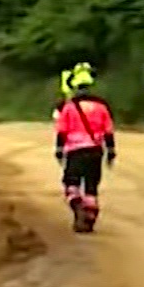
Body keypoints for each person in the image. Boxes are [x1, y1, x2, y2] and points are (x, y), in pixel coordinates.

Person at [53, 62, 116, 233]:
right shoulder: (102, 106)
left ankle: (77, 206)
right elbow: (108, 131)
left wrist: (58, 150)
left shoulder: (69, 107)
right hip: (95, 151)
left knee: (70, 183)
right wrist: (110, 152)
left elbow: (61, 130)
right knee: (91, 186)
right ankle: (89, 215)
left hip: (74, 151)